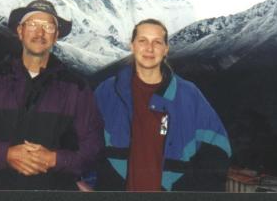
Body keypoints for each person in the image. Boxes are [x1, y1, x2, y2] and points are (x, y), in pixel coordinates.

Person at [0, 0, 104, 190]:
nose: (40, 33)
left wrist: (55, 159)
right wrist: (5, 154)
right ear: (20, 31)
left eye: (48, 26)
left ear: (56, 36)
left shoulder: (76, 88)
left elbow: (93, 145)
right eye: (32, 25)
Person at [93, 18, 231, 191]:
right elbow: (85, 139)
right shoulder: (108, 91)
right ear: (132, 45)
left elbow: (218, 147)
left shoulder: (189, 95)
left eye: (157, 42)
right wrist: (85, 183)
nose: (149, 48)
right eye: (142, 41)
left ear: (166, 49)